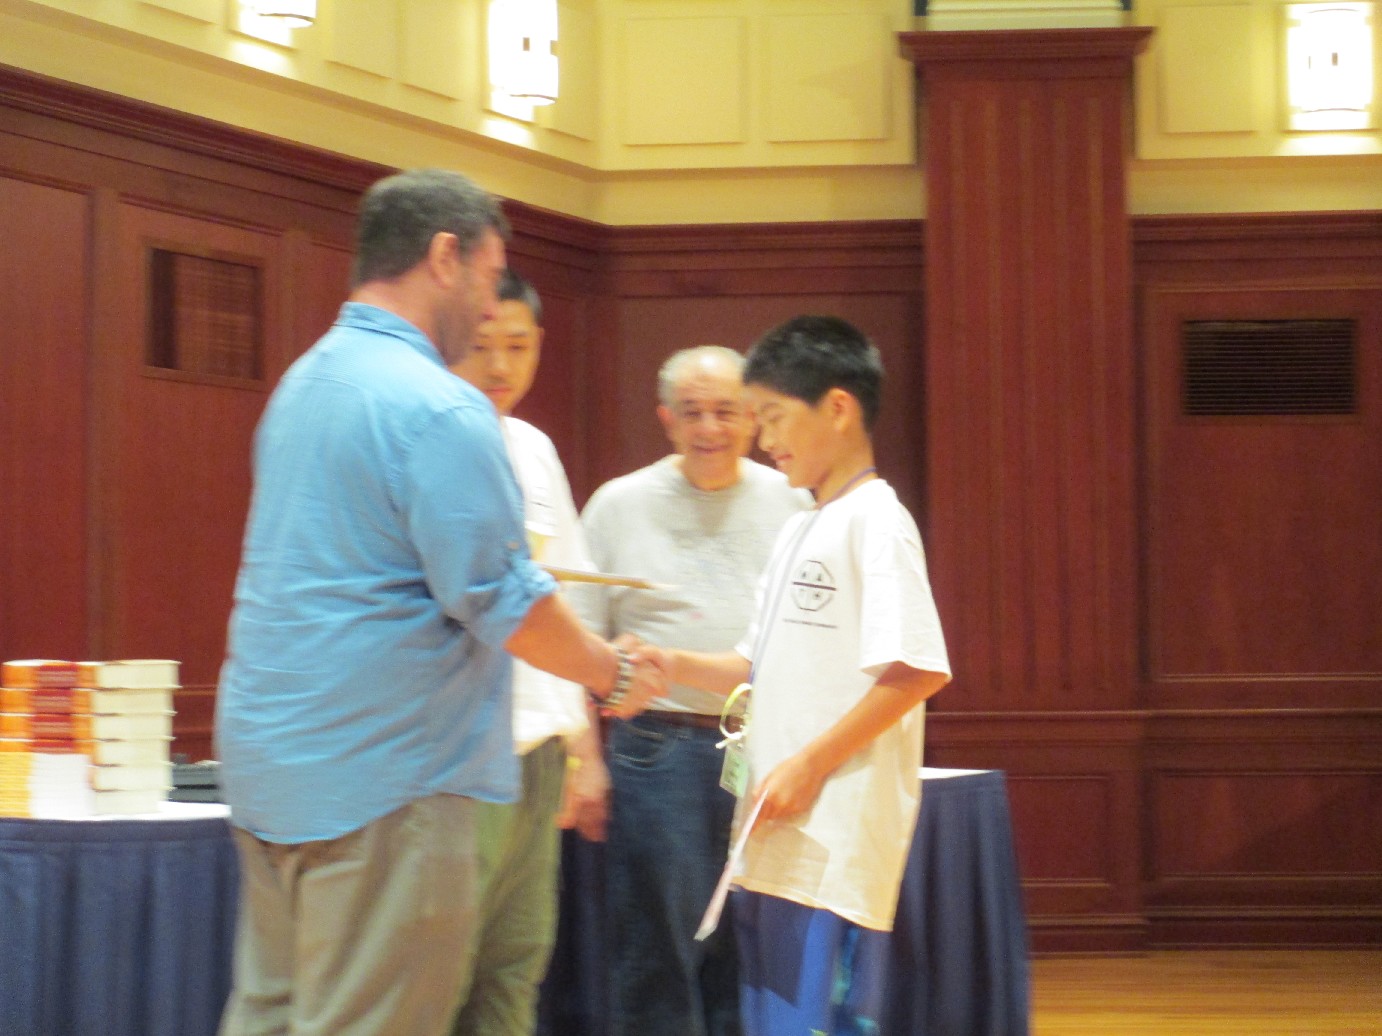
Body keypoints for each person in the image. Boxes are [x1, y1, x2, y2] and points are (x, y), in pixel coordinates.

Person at [214, 168, 662, 1036]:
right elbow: (504, 600)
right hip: (387, 781)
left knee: (272, 1017)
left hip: (273, 772)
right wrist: (610, 673)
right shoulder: (440, 408)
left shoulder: (303, 384)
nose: (491, 310)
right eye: (491, 278)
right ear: (444, 256)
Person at [643, 315, 952, 1035]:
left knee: (819, 1021)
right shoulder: (799, 525)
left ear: (838, 408)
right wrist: (672, 664)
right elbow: (753, 665)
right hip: (775, 832)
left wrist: (809, 766)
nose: (764, 439)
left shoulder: (877, 520)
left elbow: (915, 670)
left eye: (774, 417)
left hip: (832, 843)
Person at [575, 345, 809, 1036]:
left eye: (727, 412)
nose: (710, 428)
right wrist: (586, 762)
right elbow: (575, 649)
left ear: (753, 418)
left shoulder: (793, 502)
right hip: (656, 749)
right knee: (658, 945)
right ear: (666, 419)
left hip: (766, 749)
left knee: (749, 941)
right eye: (692, 412)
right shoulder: (617, 504)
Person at [446, 269, 609, 1036]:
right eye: (484, 345)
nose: (500, 365)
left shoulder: (536, 450)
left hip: (540, 748)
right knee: (445, 969)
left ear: (540, 344)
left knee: (517, 966)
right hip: (460, 753)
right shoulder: (434, 442)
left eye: (517, 346)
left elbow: (565, 602)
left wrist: (586, 748)